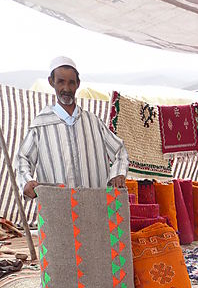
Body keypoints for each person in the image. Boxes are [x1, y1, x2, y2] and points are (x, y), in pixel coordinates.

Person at [16, 56, 128, 199]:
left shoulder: (93, 122)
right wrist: (27, 181)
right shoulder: (41, 125)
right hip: (57, 209)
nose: (66, 88)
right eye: (61, 82)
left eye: (71, 83)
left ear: (78, 84)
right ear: (51, 82)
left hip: (95, 207)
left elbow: (120, 150)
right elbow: (23, 158)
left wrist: (118, 173)